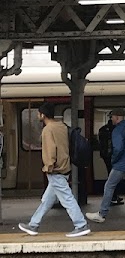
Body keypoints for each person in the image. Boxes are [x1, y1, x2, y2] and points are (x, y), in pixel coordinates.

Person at [18, 102, 91, 238]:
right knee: (47, 200)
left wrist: (49, 166)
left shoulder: (48, 130)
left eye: (38, 113)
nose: (38, 115)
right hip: (65, 166)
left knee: (67, 199)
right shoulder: (61, 126)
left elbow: (50, 150)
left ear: (43, 115)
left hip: (56, 170)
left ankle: (81, 224)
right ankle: (33, 224)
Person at [96, 114, 124, 205]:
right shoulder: (116, 129)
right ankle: (113, 197)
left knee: (111, 175)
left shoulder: (102, 129)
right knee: (114, 177)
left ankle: (113, 196)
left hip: (106, 156)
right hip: (113, 156)